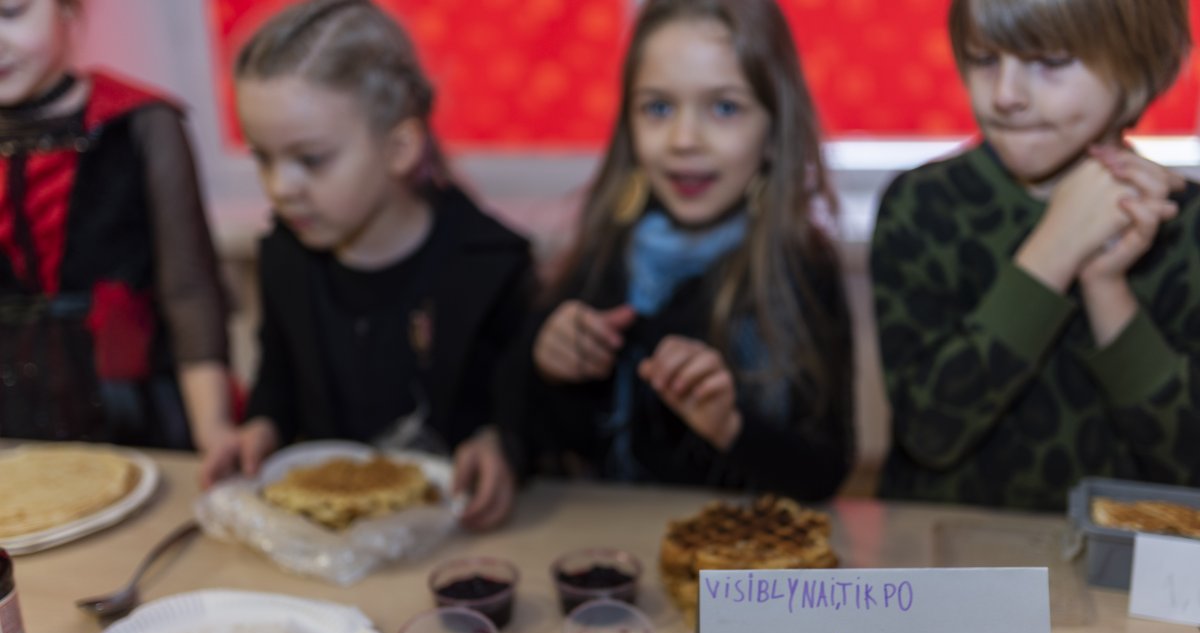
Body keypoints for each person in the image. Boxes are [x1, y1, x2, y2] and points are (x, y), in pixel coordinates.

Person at [204, 0, 532, 531]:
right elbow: (278, 380)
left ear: (399, 147)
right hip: (330, 538)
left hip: (458, 539)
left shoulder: (491, 265)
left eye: (310, 159)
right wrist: (261, 427)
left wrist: (503, 444)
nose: (280, 188)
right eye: (263, 157)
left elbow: (524, 412)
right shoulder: (284, 256)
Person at [870, 0, 1197, 510]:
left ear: (1135, 64)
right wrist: (1054, 251)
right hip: (946, 549)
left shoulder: (1184, 226)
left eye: (1051, 61)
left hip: (1122, 556)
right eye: (984, 59)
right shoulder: (922, 206)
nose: (1005, 95)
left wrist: (1106, 286)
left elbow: (1186, 464)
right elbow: (930, 433)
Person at [525, 0, 854, 499]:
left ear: (774, 133)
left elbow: (826, 473)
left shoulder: (803, 270)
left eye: (724, 108)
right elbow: (536, 440)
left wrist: (732, 426)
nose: (684, 140)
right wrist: (548, 365)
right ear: (629, 126)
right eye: (659, 108)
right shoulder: (602, 255)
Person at [0, 0, 235, 454]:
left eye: (11, 13)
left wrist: (214, 428)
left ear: (69, 10)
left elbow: (189, 292)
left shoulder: (142, 122)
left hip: (132, 409)